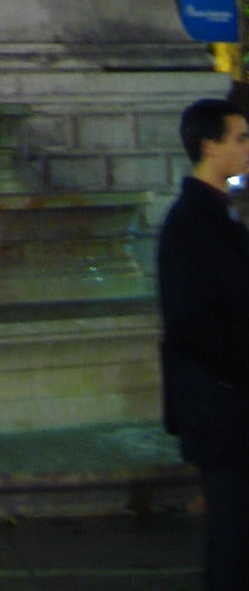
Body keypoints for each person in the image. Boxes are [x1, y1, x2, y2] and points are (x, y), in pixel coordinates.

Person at [156, 96, 249, 590]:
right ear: (209, 146)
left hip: (227, 404)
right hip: (221, 410)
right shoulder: (191, 224)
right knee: (234, 542)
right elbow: (194, 325)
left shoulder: (219, 214)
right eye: (241, 138)